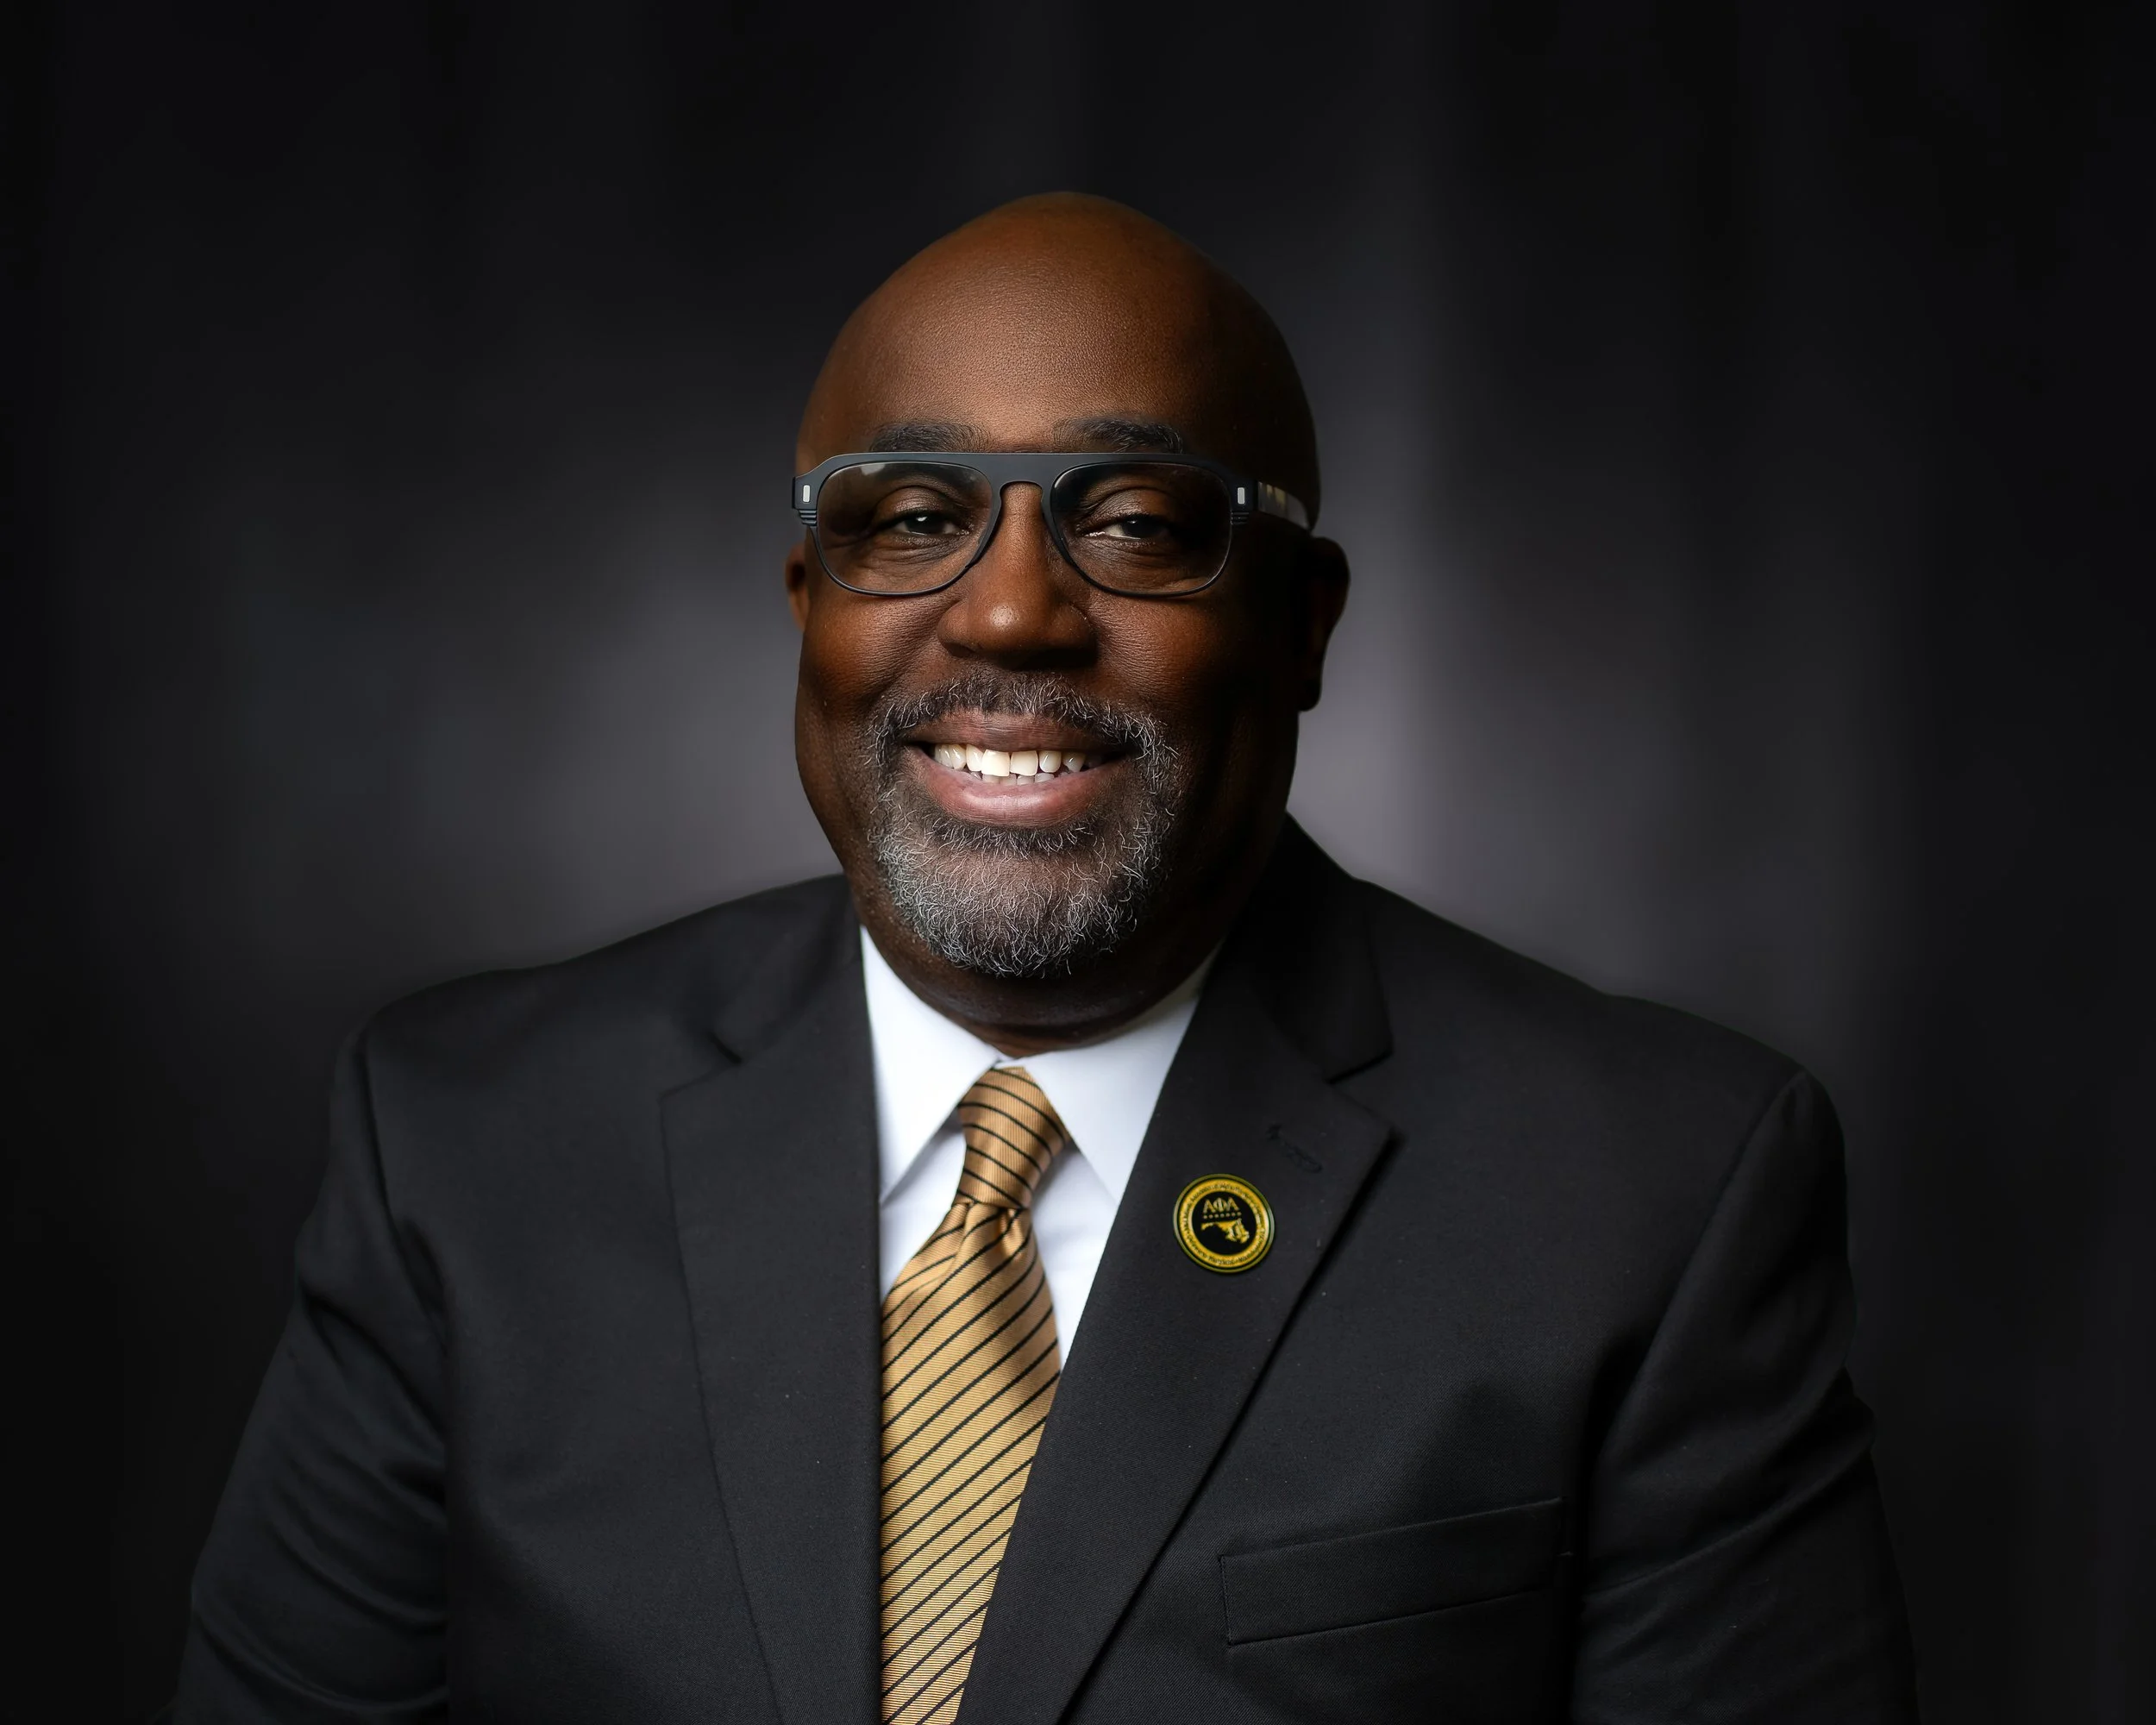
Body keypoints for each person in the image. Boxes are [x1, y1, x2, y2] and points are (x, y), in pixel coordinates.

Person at [172, 194, 1917, 1724]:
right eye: (909, 516)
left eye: (1139, 520)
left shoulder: (1649, 1195)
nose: (1009, 610)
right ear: (808, 604)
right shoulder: (464, 1145)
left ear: (1301, 624)